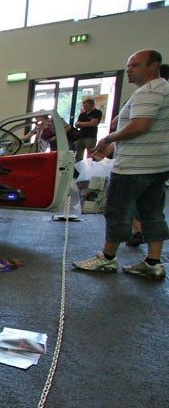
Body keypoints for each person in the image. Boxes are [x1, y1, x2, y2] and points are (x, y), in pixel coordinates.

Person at [73, 49, 169, 279]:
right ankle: (153, 262)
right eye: (128, 66)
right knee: (152, 212)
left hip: (134, 166)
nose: (129, 70)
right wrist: (111, 147)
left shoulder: (150, 91)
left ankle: (107, 258)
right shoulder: (162, 89)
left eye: (135, 65)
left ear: (153, 66)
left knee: (118, 211)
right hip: (156, 164)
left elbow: (139, 126)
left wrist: (108, 139)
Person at [74, 98, 103, 163]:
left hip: (90, 136)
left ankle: (90, 166)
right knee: (78, 154)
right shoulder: (82, 114)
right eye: (83, 106)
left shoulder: (97, 112)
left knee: (90, 154)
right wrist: (87, 123)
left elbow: (93, 123)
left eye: (86, 105)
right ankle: (78, 167)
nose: (84, 107)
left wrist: (81, 124)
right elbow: (76, 124)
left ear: (91, 105)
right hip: (81, 136)